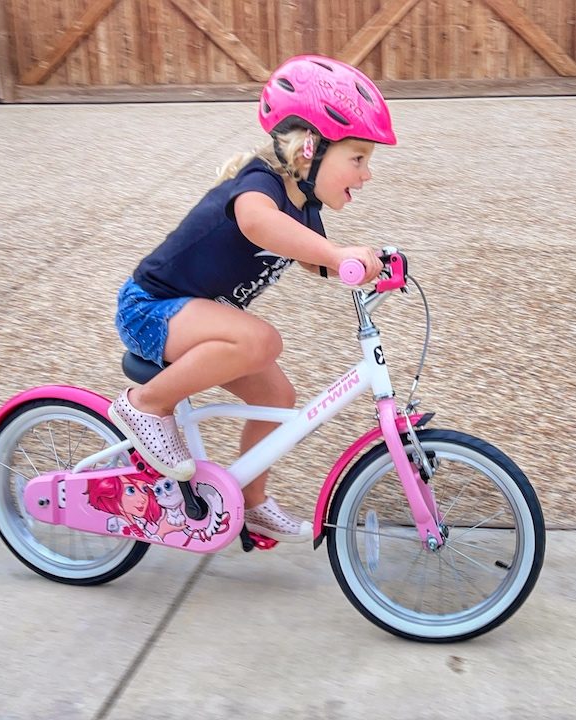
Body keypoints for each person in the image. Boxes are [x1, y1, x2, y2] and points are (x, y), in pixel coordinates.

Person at [107, 55, 397, 543]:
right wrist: (336, 253)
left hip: (194, 321)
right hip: (149, 309)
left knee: (276, 399)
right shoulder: (261, 183)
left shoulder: (303, 208)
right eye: (358, 158)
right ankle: (147, 405)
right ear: (310, 148)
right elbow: (256, 221)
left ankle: (252, 501)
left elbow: (315, 260)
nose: (366, 173)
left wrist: (370, 262)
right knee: (261, 340)